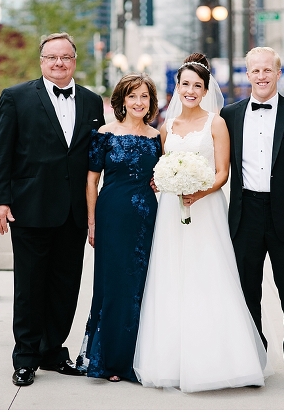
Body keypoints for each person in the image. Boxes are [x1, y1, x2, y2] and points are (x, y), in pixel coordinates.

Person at [133, 53, 268, 393]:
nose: (190, 90)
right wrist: (160, 181)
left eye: (197, 85)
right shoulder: (167, 127)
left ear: (206, 89)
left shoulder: (216, 123)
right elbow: (161, 168)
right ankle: (170, 361)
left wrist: (198, 191)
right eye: (185, 84)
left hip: (205, 209)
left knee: (208, 276)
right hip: (170, 213)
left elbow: (223, 172)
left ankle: (222, 361)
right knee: (171, 276)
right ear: (176, 88)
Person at [0, 33, 105, 386]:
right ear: (41, 61)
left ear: (74, 60)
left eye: (65, 57)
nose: (58, 63)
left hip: (72, 212)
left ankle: (53, 350)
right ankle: (25, 357)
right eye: (51, 57)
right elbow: (0, 155)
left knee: (65, 285)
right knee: (29, 286)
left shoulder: (90, 101)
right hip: (29, 209)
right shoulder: (16, 97)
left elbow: (93, 158)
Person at [220, 47, 284, 389]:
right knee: (247, 292)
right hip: (245, 214)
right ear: (246, 75)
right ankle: (254, 359)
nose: (261, 76)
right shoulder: (229, 115)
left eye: (268, 70)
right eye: (255, 71)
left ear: (278, 74)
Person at [76, 73, 162, 382]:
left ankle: (136, 358)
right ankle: (110, 360)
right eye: (132, 96)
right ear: (121, 101)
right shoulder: (104, 133)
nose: (139, 102)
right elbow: (91, 180)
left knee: (141, 285)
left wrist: (161, 179)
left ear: (151, 102)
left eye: (144, 97)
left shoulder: (157, 137)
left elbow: (162, 173)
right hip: (111, 213)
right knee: (112, 285)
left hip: (147, 218)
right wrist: (92, 221)